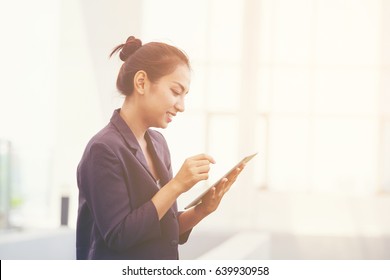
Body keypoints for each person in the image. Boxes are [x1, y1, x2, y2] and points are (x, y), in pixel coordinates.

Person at [76, 36, 245, 260]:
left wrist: (202, 210)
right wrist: (176, 185)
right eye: (176, 92)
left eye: (185, 96)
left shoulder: (158, 143)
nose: (181, 106)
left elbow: (162, 226)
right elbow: (120, 236)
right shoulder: (103, 149)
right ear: (141, 82)